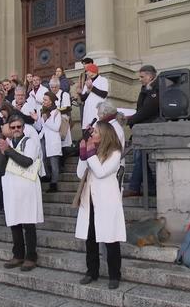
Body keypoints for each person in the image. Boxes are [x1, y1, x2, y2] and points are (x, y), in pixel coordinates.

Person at [75, 121, 126, 290]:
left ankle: (114, 275)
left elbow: (101, 172)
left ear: (104, 134)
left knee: (110, 239)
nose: (92, 135)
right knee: (90, 239)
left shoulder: (115, 152)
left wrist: (89, 153)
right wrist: (84, 154)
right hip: (90, 200)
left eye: (95, 132)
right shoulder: (92, 152)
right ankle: (92, 272)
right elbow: (79, 173)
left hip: (107, 201)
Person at [0, 115, 43, 271]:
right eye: (13, 127)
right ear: (9, 129)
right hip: (12, 188)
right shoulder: (7, 143)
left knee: (28, 223)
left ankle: (31, 256)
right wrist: (3, 154)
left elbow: (27, 161)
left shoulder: (30, 142)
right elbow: (1, 168)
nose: (16, 129)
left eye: (18, 127)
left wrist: (8, 150)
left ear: (23, 128)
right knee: (14, 222)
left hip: (27, 188)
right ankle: (17, 255)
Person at [126, 65, 159, 197]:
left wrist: (131, 120)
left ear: (150, 76)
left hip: (150, 127)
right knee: (140, 158)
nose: (139, 79)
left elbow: (148, 109)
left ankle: (134, 187)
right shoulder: (146, 88)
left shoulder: (156, 88)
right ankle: (151, 187)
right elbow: (140, 108)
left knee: (140, 156)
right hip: (142, 128)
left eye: (142, 77)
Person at [36, 92, 62, 193]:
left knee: (54, 163)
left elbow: (56, 128)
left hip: (53, 140)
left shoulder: (56, 112)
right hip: (44, 139)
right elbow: (42, 127)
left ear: (51, 101)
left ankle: (54, 183)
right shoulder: (43, 111)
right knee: (43, 159)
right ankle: (48, 175)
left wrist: (46, 121)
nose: (44, 101)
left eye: (46, 99)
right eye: (43, 99)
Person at [79, 60, 109, 133]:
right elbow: (83, 98)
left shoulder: (103, 80)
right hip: (88, 111)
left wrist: (92, 88)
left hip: (97, 110)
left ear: (92, 71)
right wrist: (87, 91)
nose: (86, 73)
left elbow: (104, 94)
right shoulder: (87, 81)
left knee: (98, 132)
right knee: (87, 133)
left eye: (87, 71)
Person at [50, 78, 73, 148]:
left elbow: (68, 108)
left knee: (64, 144)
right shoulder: (49, 96)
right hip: (53, 122)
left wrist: (58, 110)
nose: (53, 89)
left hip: (63, 121)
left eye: (55, 87)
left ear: (59, 86)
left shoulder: (64, 94)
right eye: (52, 87)